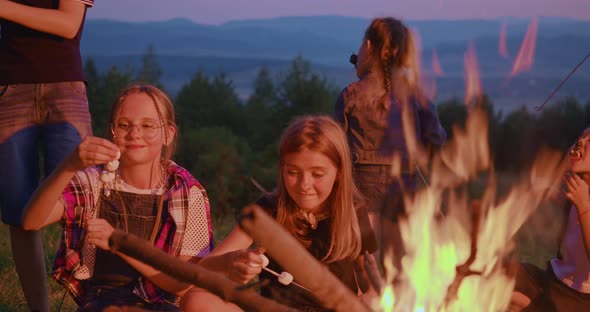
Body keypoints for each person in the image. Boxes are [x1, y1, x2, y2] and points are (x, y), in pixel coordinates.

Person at [22, 84, 215, 311]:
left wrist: (121, 244)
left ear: (168, 134)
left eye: (148, 125)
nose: (135, 134)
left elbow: (183, 285)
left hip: (164, 304)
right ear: (112, 130)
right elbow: (31, 221)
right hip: (103, 302)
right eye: (124, 125)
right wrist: (69, 165)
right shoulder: (93, 182)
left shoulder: (185, 192)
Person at [183, 115, 377, 311]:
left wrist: (370, 297)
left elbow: (370, 285)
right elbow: (203, 269)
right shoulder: (266, 211)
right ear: (282, 169)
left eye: (317, 174)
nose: (304, 185)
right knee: (197, 300)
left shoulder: (354, 214)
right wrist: (229, 262)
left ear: (339, 173)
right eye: (292, 172)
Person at [0, 0, 95, 310]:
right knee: (19, 211)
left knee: (84, 200)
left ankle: (100, 301)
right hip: (8, 88)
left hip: (65, 88)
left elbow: (67, 24)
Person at [335, 17, 446, 269]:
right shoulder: (417, 94)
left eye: (361, 45)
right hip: (406, 187)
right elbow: (437, 139)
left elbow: (335, 146)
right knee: (400, 264)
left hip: (360, 190)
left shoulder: (351, 94)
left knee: (367, 262)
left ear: (370, 47)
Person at [508, 128, 590, 312]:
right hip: (554, 279)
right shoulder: (578, 191)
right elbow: (565, 204)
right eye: (580, 138)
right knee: (497, 273)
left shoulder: (582, 198)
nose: (580, 144)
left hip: (579, 300)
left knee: (514, 301)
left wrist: (584, 206)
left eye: (589, 141)